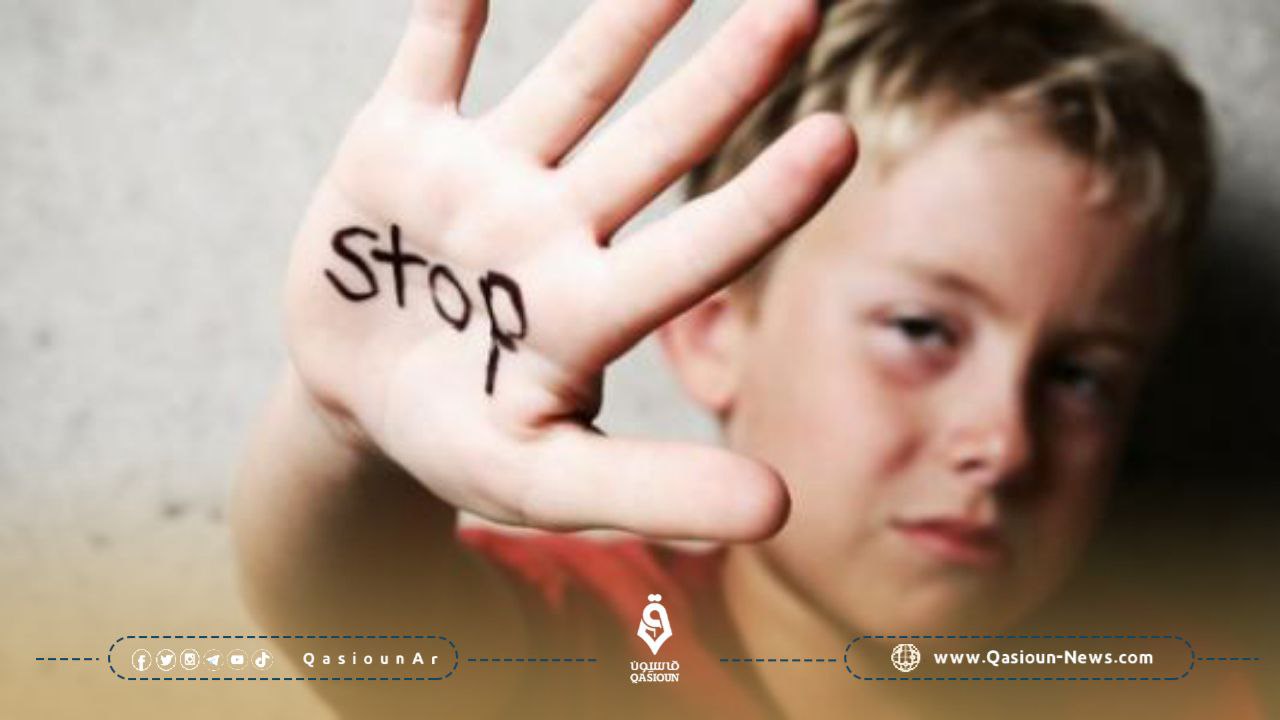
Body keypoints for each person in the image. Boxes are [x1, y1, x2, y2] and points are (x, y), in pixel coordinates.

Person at [232, 0, 1259, 716]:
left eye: (1080, 376)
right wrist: (343, 425)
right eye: (921, 331)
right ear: (714, 335)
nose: (1002, 444)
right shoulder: (610, 638)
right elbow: (357, 613)